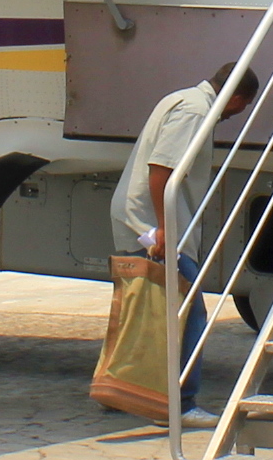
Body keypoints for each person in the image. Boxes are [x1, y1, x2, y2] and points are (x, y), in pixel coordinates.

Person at [109, 66, 257, 414]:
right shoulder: (195, 111)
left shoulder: (182, 99)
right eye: (242, 107)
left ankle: (123, 390)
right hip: (152, 224)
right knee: (189, 312)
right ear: (235, 98)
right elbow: (162, 170)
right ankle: (180, 406)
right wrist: (164, 229)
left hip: (143, 217)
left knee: (144, 312)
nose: (236, 115)